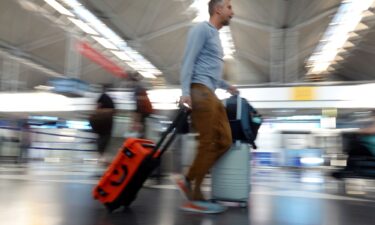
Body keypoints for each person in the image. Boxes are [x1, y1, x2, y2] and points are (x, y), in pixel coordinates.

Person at [176, 0, 238, 213]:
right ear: (218, 9)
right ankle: (194, 192)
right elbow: (188, 60)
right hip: (199, 91)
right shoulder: (202, 29)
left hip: (211, 92)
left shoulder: (217, 37)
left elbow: (210, 71)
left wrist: (226, 85)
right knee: (208, 140)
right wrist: (185, 91)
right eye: (229, 7)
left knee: (225, 141)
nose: (232, 12)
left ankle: (189, 179)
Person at [89, 87, 116, 166]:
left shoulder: (102, 99)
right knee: (104, 140)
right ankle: (106, 160)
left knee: (102, 142)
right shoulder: (107, 100)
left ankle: (106, 161)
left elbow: (97, 108)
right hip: (107, 125)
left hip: (103, 125)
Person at [130, 72, 153, 138]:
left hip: (143, 110)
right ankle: (141, 137)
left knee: (140, 125)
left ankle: (141, 138)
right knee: (141, 125)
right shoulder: (139, 87)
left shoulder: (137, 88)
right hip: (145, 110)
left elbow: (139, 102)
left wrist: (136, 113)